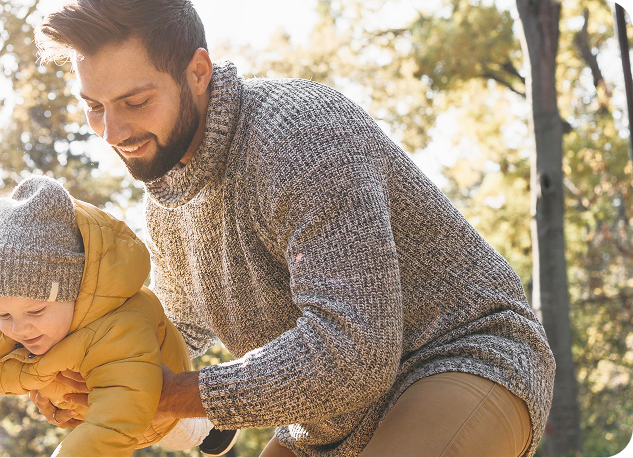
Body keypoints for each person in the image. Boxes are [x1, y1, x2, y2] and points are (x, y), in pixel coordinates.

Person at [29, 1, 557, 457]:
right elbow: (171, 333)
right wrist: (94, 375)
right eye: (94, 107)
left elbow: (355, 351)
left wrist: (173, 394)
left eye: (135, 102)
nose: (113, 132)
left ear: (198, 71)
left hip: (462, 358)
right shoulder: (168, 198)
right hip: (328, 421)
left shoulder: (299, 135)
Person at [0, 175, 231, 458]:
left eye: (37, 311)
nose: (19, 327)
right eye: (2, 313)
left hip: (155, 400)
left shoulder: (121, 322)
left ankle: (217, 423)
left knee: (179, 432)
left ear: (75, 290)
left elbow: (119, 415)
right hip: (82, 407)